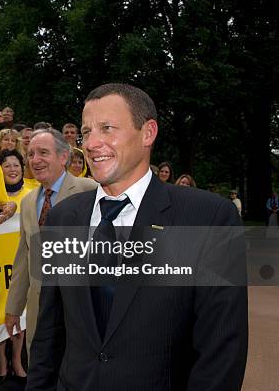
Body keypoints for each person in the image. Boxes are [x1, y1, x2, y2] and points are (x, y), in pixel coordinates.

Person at [28, 83, 247, 390]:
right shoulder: (63, 218)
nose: (91, 143)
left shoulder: (207, 218)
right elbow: (49, 332)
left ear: (148, 133)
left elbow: (222, 350)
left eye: (107, 128)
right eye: (86, 132)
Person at [4, 129, 96, 361]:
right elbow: (24, 258)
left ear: (63, 157)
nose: (35, 160)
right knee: (41, 367)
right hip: (39, 306)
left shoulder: (91, 191)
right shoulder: (27, 203)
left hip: (81, 307)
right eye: (31, 154)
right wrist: (14, 308)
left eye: (43, 152)